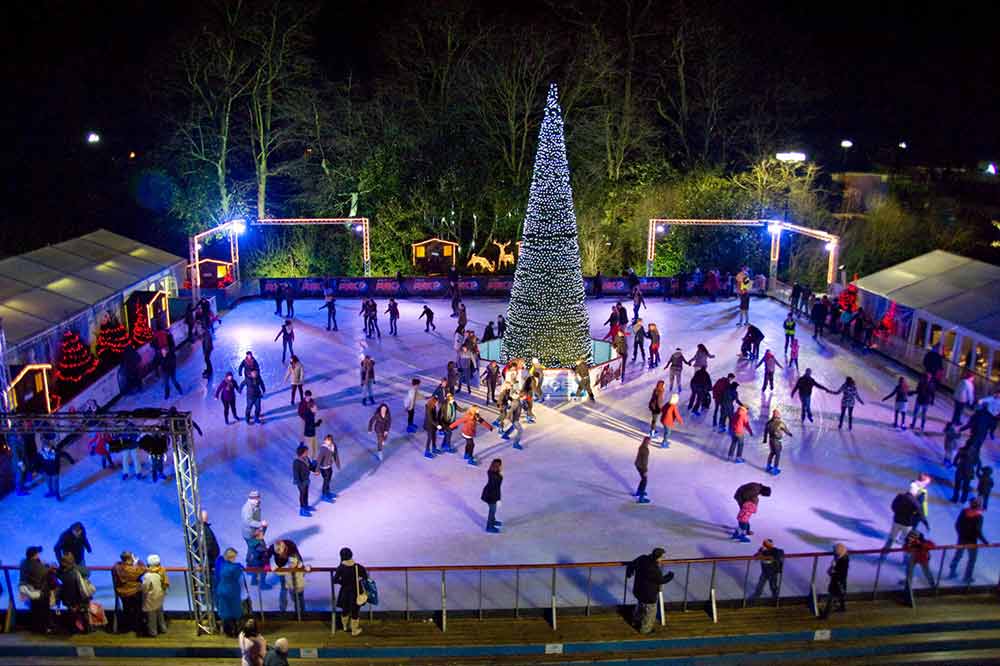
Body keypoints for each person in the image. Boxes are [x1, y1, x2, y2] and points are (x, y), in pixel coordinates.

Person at [625, 547, 673, 634]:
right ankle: (645, 629)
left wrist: (629, 573)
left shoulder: (642, 558)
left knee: (640, 607)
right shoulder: (654, 569)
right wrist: (670, 576)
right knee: (650, 612)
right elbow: (661, 580)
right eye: (662, 557)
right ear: (658, 558)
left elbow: (632, 564)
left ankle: (635, 622)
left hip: (638, 590)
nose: (663, 559)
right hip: (649, 595)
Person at [949, 498, 988, 583]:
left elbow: (957, 524)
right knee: (972, 559)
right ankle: (967, 577)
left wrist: (960, 534)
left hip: (962, 538)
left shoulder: (964, 512)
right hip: (972, 541)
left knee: (958, 555)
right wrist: (985, 542)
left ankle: (951, 572)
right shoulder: (979, 516)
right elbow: (977, 531)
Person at [884, 485, 929, 555]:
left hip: (897, 521)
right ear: (915, 492)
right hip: (907, 525)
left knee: (891, 539)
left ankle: (882, 557)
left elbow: (893, 507)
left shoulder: (900, 496)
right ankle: (905, 561)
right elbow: (920, 515)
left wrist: (898, 513)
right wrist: (925, 523)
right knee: (907, 543)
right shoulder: (915, 502)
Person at [333, 547, 368, 636]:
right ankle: (354, 630)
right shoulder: (358, 567)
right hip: (356, 591)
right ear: (351, 555)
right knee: (355, 611)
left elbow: (335, 580)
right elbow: (365, 576)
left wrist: (343, 582)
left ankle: (345, 627)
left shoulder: (341, 567)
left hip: (345, 592)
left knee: (345, 609)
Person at [267, 539, 306, 614]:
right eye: (278, 553)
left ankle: (301, 611)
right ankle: (282, 610)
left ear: (285, 548)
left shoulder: (291, 546)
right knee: (283, 588)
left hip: (292, 568)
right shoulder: (272, 548)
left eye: (281, 553)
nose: (280, 555)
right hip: (281, 567)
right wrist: (267, 567)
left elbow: (299, 558)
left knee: (296, 592)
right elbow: (265, 557)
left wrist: (301, 569)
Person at [57, 552, 93, 634]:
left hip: (67, 599)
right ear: (72, 561)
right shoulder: (76, 570)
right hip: (79, 598)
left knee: (72, 614)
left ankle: (72, 629)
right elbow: (88, 572)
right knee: (84, 613)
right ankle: (86, 629)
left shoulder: (60, 572)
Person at [20, 546, 53, 634]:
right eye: (38, 553)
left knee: (35, 609)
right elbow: (44, 573)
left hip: (31, 590)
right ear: (35, 555)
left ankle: (35, 628)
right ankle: (44, 628)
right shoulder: (37, 566)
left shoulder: (24, 563)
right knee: (44, 610)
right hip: (41, 592)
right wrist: (48, 566)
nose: (39, 554)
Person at [112, 551, 146, 634]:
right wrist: (138, 561)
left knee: (126, 609)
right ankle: (137, 627)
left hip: (122, 593)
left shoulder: (116, 567)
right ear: (129, 558)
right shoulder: (131, 569)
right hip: (134, 592)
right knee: (138, 609)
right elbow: (143, 569)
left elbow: (117, 566)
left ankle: (127, 627)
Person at [215, 548, 246, 637]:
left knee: (225, 612)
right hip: (231, 591)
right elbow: (237, 575)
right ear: (232, 557)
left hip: (222, 589)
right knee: (235, 611)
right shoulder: (236, 568)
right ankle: (235, 632)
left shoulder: (221, 565)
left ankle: (227, 632)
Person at [749, 538, 784, 604]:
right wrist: (759, 552)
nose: (764, 545)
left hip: (773, 572)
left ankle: (775, 598)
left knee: (773, 586)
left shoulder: (775, 551)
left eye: (766, 544)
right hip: (764, 572)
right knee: (760, 585)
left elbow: (775, 557)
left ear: (770, 545)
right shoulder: (762, 551)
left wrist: (763, 556)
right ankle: (756, 596)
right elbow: (755, 557)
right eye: (764, 544)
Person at [142, 554, 169, 637]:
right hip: (160, 596)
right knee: (160, 613)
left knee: (151, 616)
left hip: (151, 598)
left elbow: (145, 588)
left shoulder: (148, 576)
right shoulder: (162, 571)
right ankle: (163, 628)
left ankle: (153, 632)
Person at [38, 437, 74, 501]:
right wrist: (39, 469)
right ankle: (51, 491)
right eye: (45, 448)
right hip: (46, 471)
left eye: (48, 447)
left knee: (55, 482)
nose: (47, 449)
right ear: (43, 448)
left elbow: (64, 454)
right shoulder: (41, 453)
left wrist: (71, 460)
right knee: (48, 482)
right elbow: (38, 461)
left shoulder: (56, 451)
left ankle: (57, 494)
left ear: (50, 446)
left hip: (55, 471)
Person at [820, 543, 849, 619]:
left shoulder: (841, 561)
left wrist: (831, 572)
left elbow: (838, 573)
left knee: (831, 598)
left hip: (837, 582)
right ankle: (842, 608)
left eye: (835, 551)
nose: (833, 553)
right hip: (840, 581)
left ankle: (825, 615)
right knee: (841, 595)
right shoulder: (844, 558)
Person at [763, 409, 792, 475]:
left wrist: (765, 439)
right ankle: (775, 469)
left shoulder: (768, 422)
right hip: (777, 441)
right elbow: (786, 430)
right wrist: (790, 434)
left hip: (770, 440)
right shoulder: (780, 423)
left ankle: (768, 466)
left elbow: (765, 432)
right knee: (777, 455)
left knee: (772, 453)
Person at [316, 435, 341, 502]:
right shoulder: (323, 448)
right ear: (325, 440)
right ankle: (324, 495)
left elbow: (335, 455)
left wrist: (338, 464)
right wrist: (317, 470)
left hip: (329, 466)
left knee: (328, 480)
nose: (329, 441)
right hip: (323, 468)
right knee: (326, 481)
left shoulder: (333, 446)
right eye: (327, 440)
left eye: (330, 440)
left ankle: (327, 492)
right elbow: (319, 459)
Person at [293, 444, 316, 516]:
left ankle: (306, 506)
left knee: (306, 493)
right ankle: (302, 509)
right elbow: (296, 474)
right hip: (301, 482)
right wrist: (300, 484)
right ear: (302, 452)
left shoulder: (307, 459)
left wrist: (315, 466)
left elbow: (311, 467)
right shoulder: (296, 462)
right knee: (302, 495)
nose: (307, 453)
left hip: (306, 480)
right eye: (306, 451)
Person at [481, 458, 504, 532]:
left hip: (489, 494)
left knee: (493, 510)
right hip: (490, 496)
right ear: (498, 466)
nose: (501, 466)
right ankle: (489, 527)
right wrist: (498, 499)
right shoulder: (496, 477)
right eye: (500, 465)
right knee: (492, 510)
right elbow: (495, 489)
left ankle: (493, 521)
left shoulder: (492, 472)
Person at [634, 436, 651, 504]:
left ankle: (638, 492)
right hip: (641, 466)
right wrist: (645, 470)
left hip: (638, 465)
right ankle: (641, 498)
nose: (650, 442)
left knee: (643, 479)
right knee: (644, 481)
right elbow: (644, 461)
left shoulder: (641, 447)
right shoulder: (645, 449)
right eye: (649, 441)